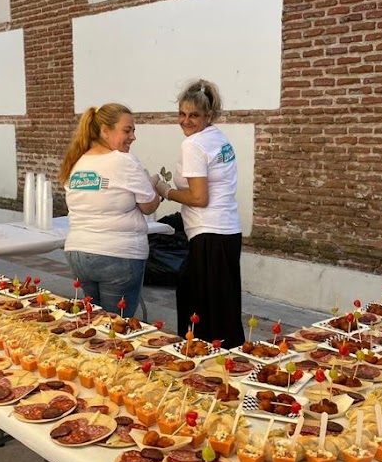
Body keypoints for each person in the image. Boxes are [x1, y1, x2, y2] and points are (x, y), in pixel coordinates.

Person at [153, 79, 245, 347]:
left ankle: (203, 366)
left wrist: (165, 190)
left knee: (199, 309)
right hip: (228, 231)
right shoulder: (218, 137)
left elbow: (198, 197)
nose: (186, 121)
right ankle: (230, 361)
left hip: (208, 232)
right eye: (181, 114)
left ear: (210, 115)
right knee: (224, 304)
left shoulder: (194, 145)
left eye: (194, 115)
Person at [60, 103, 161, 316]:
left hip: (79, 253)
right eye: (127, 130)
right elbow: (149, 205)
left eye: (133, 131)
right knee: (117, 327)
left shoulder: (77, 162)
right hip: (118, 255)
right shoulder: (123, 161)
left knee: (91, 321)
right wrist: (153, 185)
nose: (133, 137)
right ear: (105, 130)